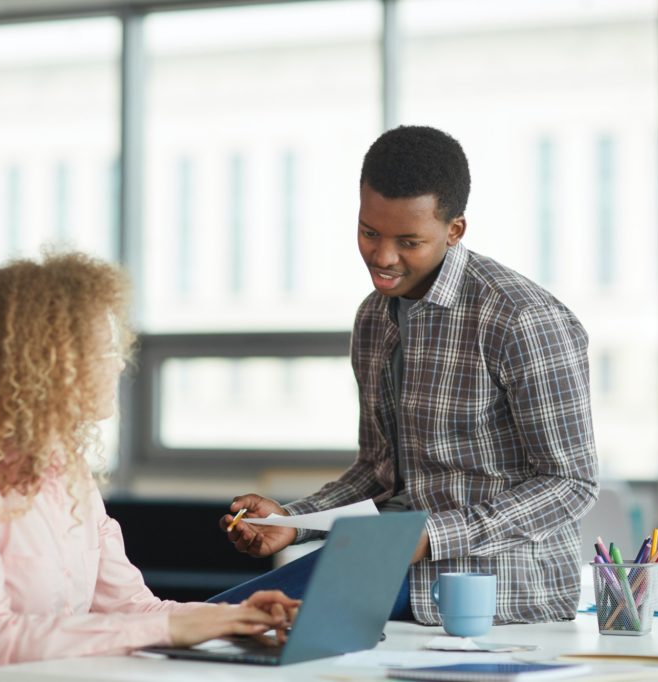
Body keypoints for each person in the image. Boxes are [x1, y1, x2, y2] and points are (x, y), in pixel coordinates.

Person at [219, 125, 599, 625]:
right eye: (369, 232)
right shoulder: (374, 318)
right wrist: (293, 521)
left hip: (499, 586)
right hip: (384, 560)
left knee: (224, 628)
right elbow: (379, 473)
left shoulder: (520, 318)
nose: (383, 257)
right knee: (209, 625)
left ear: (454, 230)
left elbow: (571, 482)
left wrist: (434, 537)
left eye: (409, 241)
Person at [0, 253, 299, 682]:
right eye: (104, 350)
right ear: (44, 364)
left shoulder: (69, 473)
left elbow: (135, 609)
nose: (120, 364)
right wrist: (175, 628)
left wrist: (236, 618)